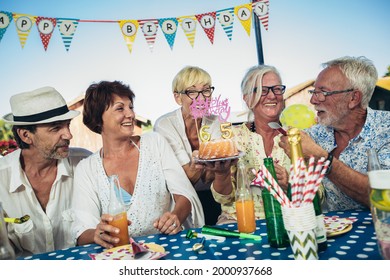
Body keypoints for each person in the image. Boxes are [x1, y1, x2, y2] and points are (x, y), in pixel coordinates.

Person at [71, 80, 204, 249]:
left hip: (166, 248)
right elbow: (82, 232)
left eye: (131, 107)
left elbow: (184, 195)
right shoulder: (86, 169)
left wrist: (175, 216)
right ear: (98, 119)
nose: (131, 114)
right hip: (120, 257)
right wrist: (97, 234)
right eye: (120, 108)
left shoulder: (154, 143)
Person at [279, 56, 390, 211]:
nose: (312, 100)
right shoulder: (313, 135)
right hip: (328, 231)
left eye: (323, 92)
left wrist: (323, 160)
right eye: (313, 91)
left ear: (353, 98)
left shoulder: (386, 129)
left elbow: (385, 198)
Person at [0, 86, 91, 257]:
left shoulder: (85, 163)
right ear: (26, 135)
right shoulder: (2, 180)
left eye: (67, 125)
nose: (68, 135)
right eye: (56, 128)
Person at [209, 65, 291, 224]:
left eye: (277, 89)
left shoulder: (295, 136)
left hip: (287, 220)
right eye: (262, 90)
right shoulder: (232, 137)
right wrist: (221, 173)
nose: (272, 96)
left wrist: (290, 184)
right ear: (246, 99)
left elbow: (319, 194)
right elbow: (223, 198)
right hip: (238, 222)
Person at [154, 66, 222, 225]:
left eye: (206, 90)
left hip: (212, 196)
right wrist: (206, 163)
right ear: (178, 98)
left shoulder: (215, 121)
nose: (201, 98)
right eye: (192, 92)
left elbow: (212, 176)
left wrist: (204, 166)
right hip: (179, 201)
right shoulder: (165, 125)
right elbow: (185, 180)